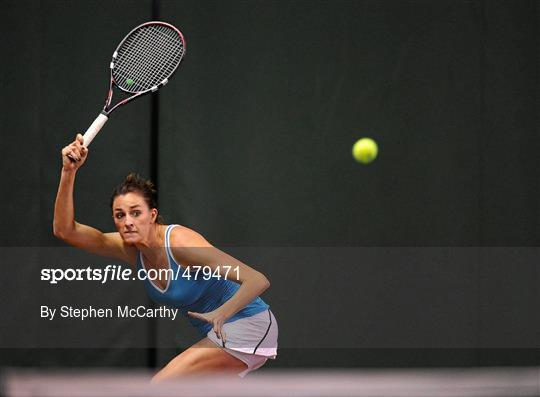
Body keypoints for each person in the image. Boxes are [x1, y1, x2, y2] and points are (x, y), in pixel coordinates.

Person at [54, 134, 278, 379]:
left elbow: (257, 280)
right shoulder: (128, 248)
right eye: (119, 215)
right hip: (221, 334)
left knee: (161, 386)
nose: (127, 221)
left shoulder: (181, 244)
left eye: (135, 212)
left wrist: (220, 314)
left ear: (152, 215)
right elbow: (65, 230)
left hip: (250, 325)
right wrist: (68, 171)